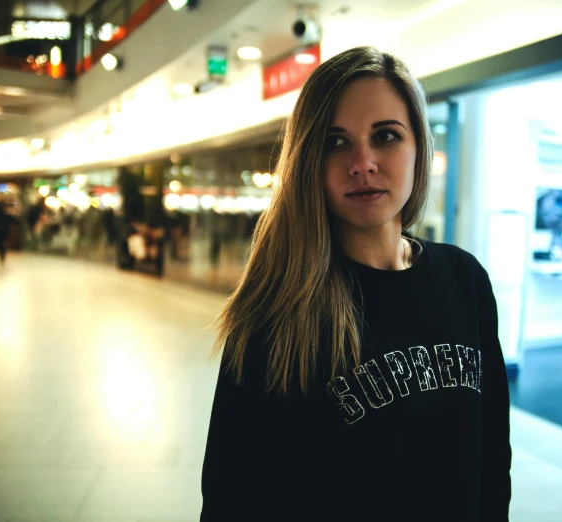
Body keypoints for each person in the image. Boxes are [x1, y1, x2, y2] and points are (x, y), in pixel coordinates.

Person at [200, 47, 512, 522]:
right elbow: (231, 498)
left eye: (386, 135)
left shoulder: (465, 279)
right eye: (335, 142)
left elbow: (493, 456)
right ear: (309, 162)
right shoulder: (276, 314)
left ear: (418, 149)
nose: (363, 163)